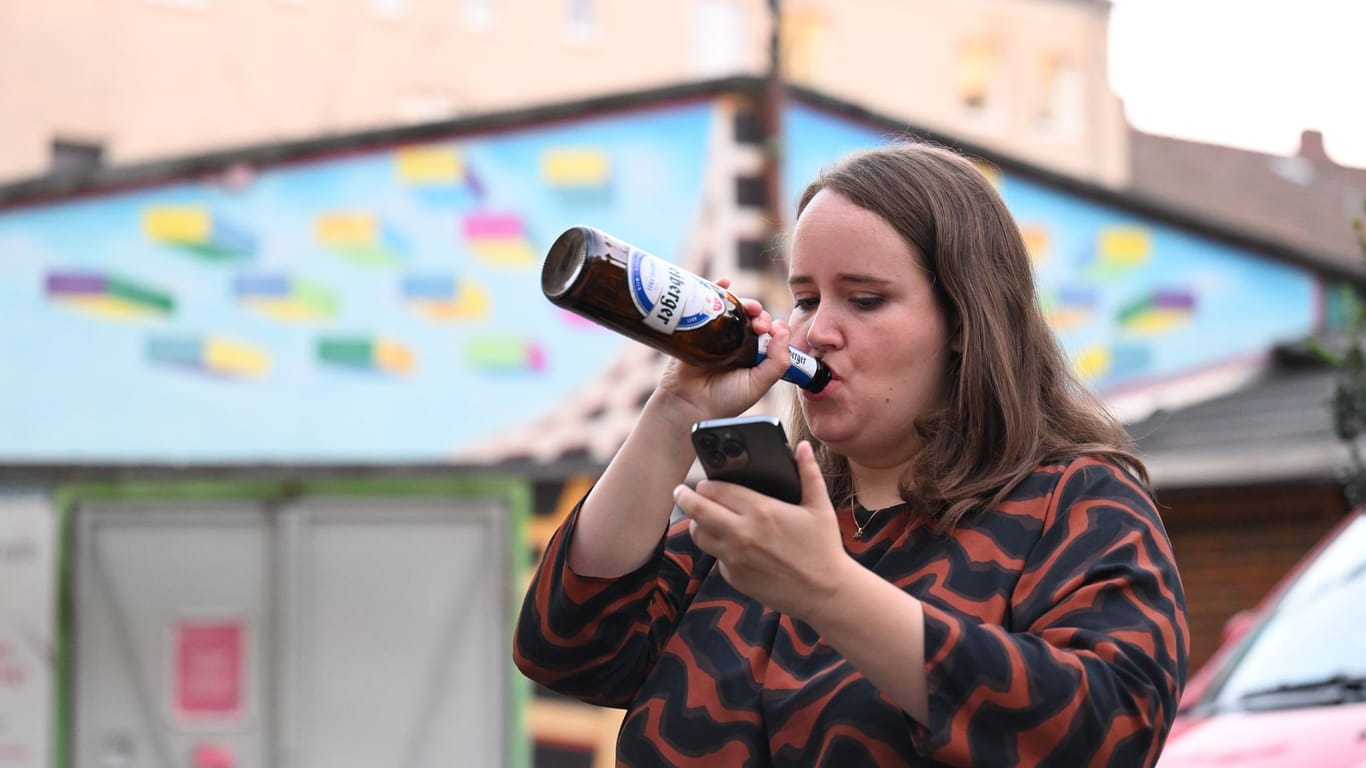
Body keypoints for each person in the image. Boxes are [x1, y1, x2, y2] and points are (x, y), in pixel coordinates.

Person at [513, 141, 1189, 766]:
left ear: (965, 321)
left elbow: (1109, 732)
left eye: (864, 300)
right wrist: (673, 412)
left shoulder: (1074, 503)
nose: (817, 330)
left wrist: (828, 590)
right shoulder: (763, 520)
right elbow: (568, 649)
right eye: (804, 298)